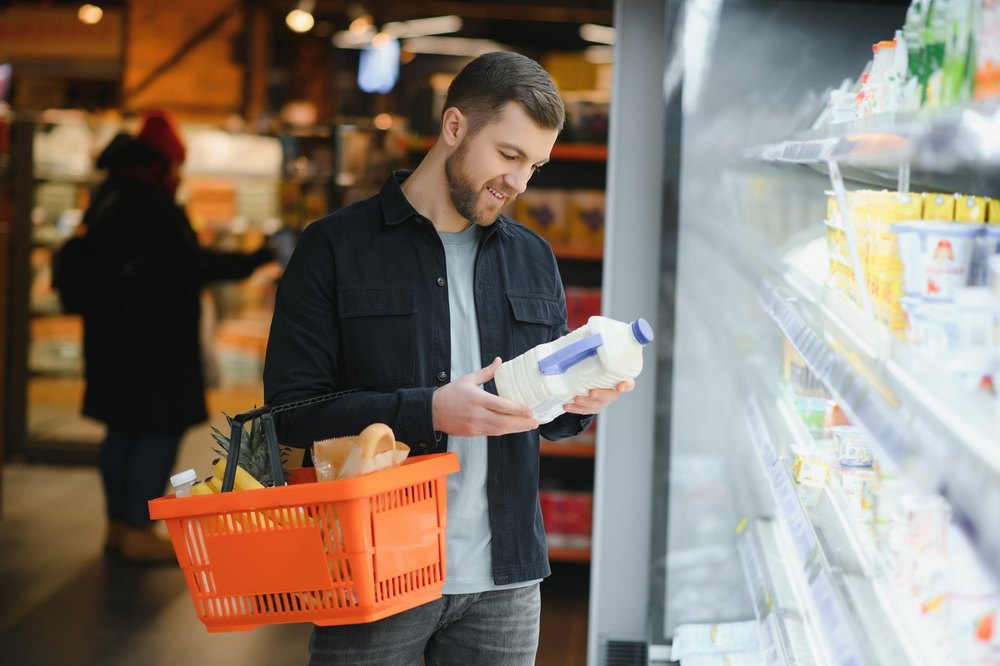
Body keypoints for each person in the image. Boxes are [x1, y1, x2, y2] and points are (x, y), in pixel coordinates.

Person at [263, 52, 633, 665]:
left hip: (506, 580)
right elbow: (292, 413)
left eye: (534, 166)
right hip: (374, 570)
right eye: (509, 156)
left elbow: (548, 413)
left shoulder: (534, 257)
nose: (519, 183)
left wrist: (579, 399)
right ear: (455, 126)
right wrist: (430, 410)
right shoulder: (334, 248)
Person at [80, 110, 274, 562]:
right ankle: (139, 529)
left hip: (113, 340)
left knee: (122, 431)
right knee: (157, 430)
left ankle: (117, 526)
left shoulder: (108, 196)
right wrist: (254, 258)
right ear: (160, 164)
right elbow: (190, 264)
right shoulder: (150, 204)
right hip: (153, 345)